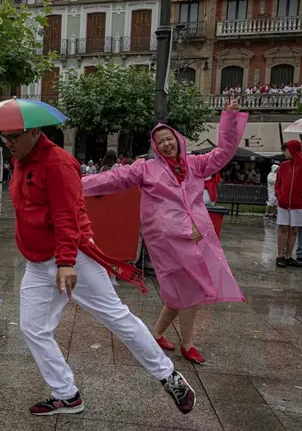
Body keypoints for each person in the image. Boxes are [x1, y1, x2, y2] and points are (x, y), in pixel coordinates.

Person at [3, 127, 196, 417]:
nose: (9, 144)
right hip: (38, 262)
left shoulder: (58, 162)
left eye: (14, 137)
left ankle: (170, 377)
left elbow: (68, 215)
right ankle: (66, 394)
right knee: (33, 327)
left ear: (33, 133)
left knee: (115, 315)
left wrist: (66, 261)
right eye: (5, 138)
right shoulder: (21, 162)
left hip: (73, 256)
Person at [83, 101, 247, 366]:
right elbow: (111, 180)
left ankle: (157, 334)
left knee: (177, 291)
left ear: (178, 140)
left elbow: (225, 151)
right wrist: (72, 184)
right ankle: (188, 344)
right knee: (191, 290)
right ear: (154, 147)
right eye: (160, 142)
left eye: (169, 139)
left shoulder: (197, 164)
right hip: (166, 239)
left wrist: (228, 117)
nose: (166, 144)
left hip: (193, 235)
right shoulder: (146, 169)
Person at [276, 140, 302, 268]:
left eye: (286, 150)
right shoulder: (283, 165)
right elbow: (278, 183)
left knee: (294, 230)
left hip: (298, 204)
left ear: (292, 150)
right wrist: (279, 195)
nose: (284, 153)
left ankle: (288, 257)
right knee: (283, 228)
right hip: (283, 203)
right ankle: (280, 256)